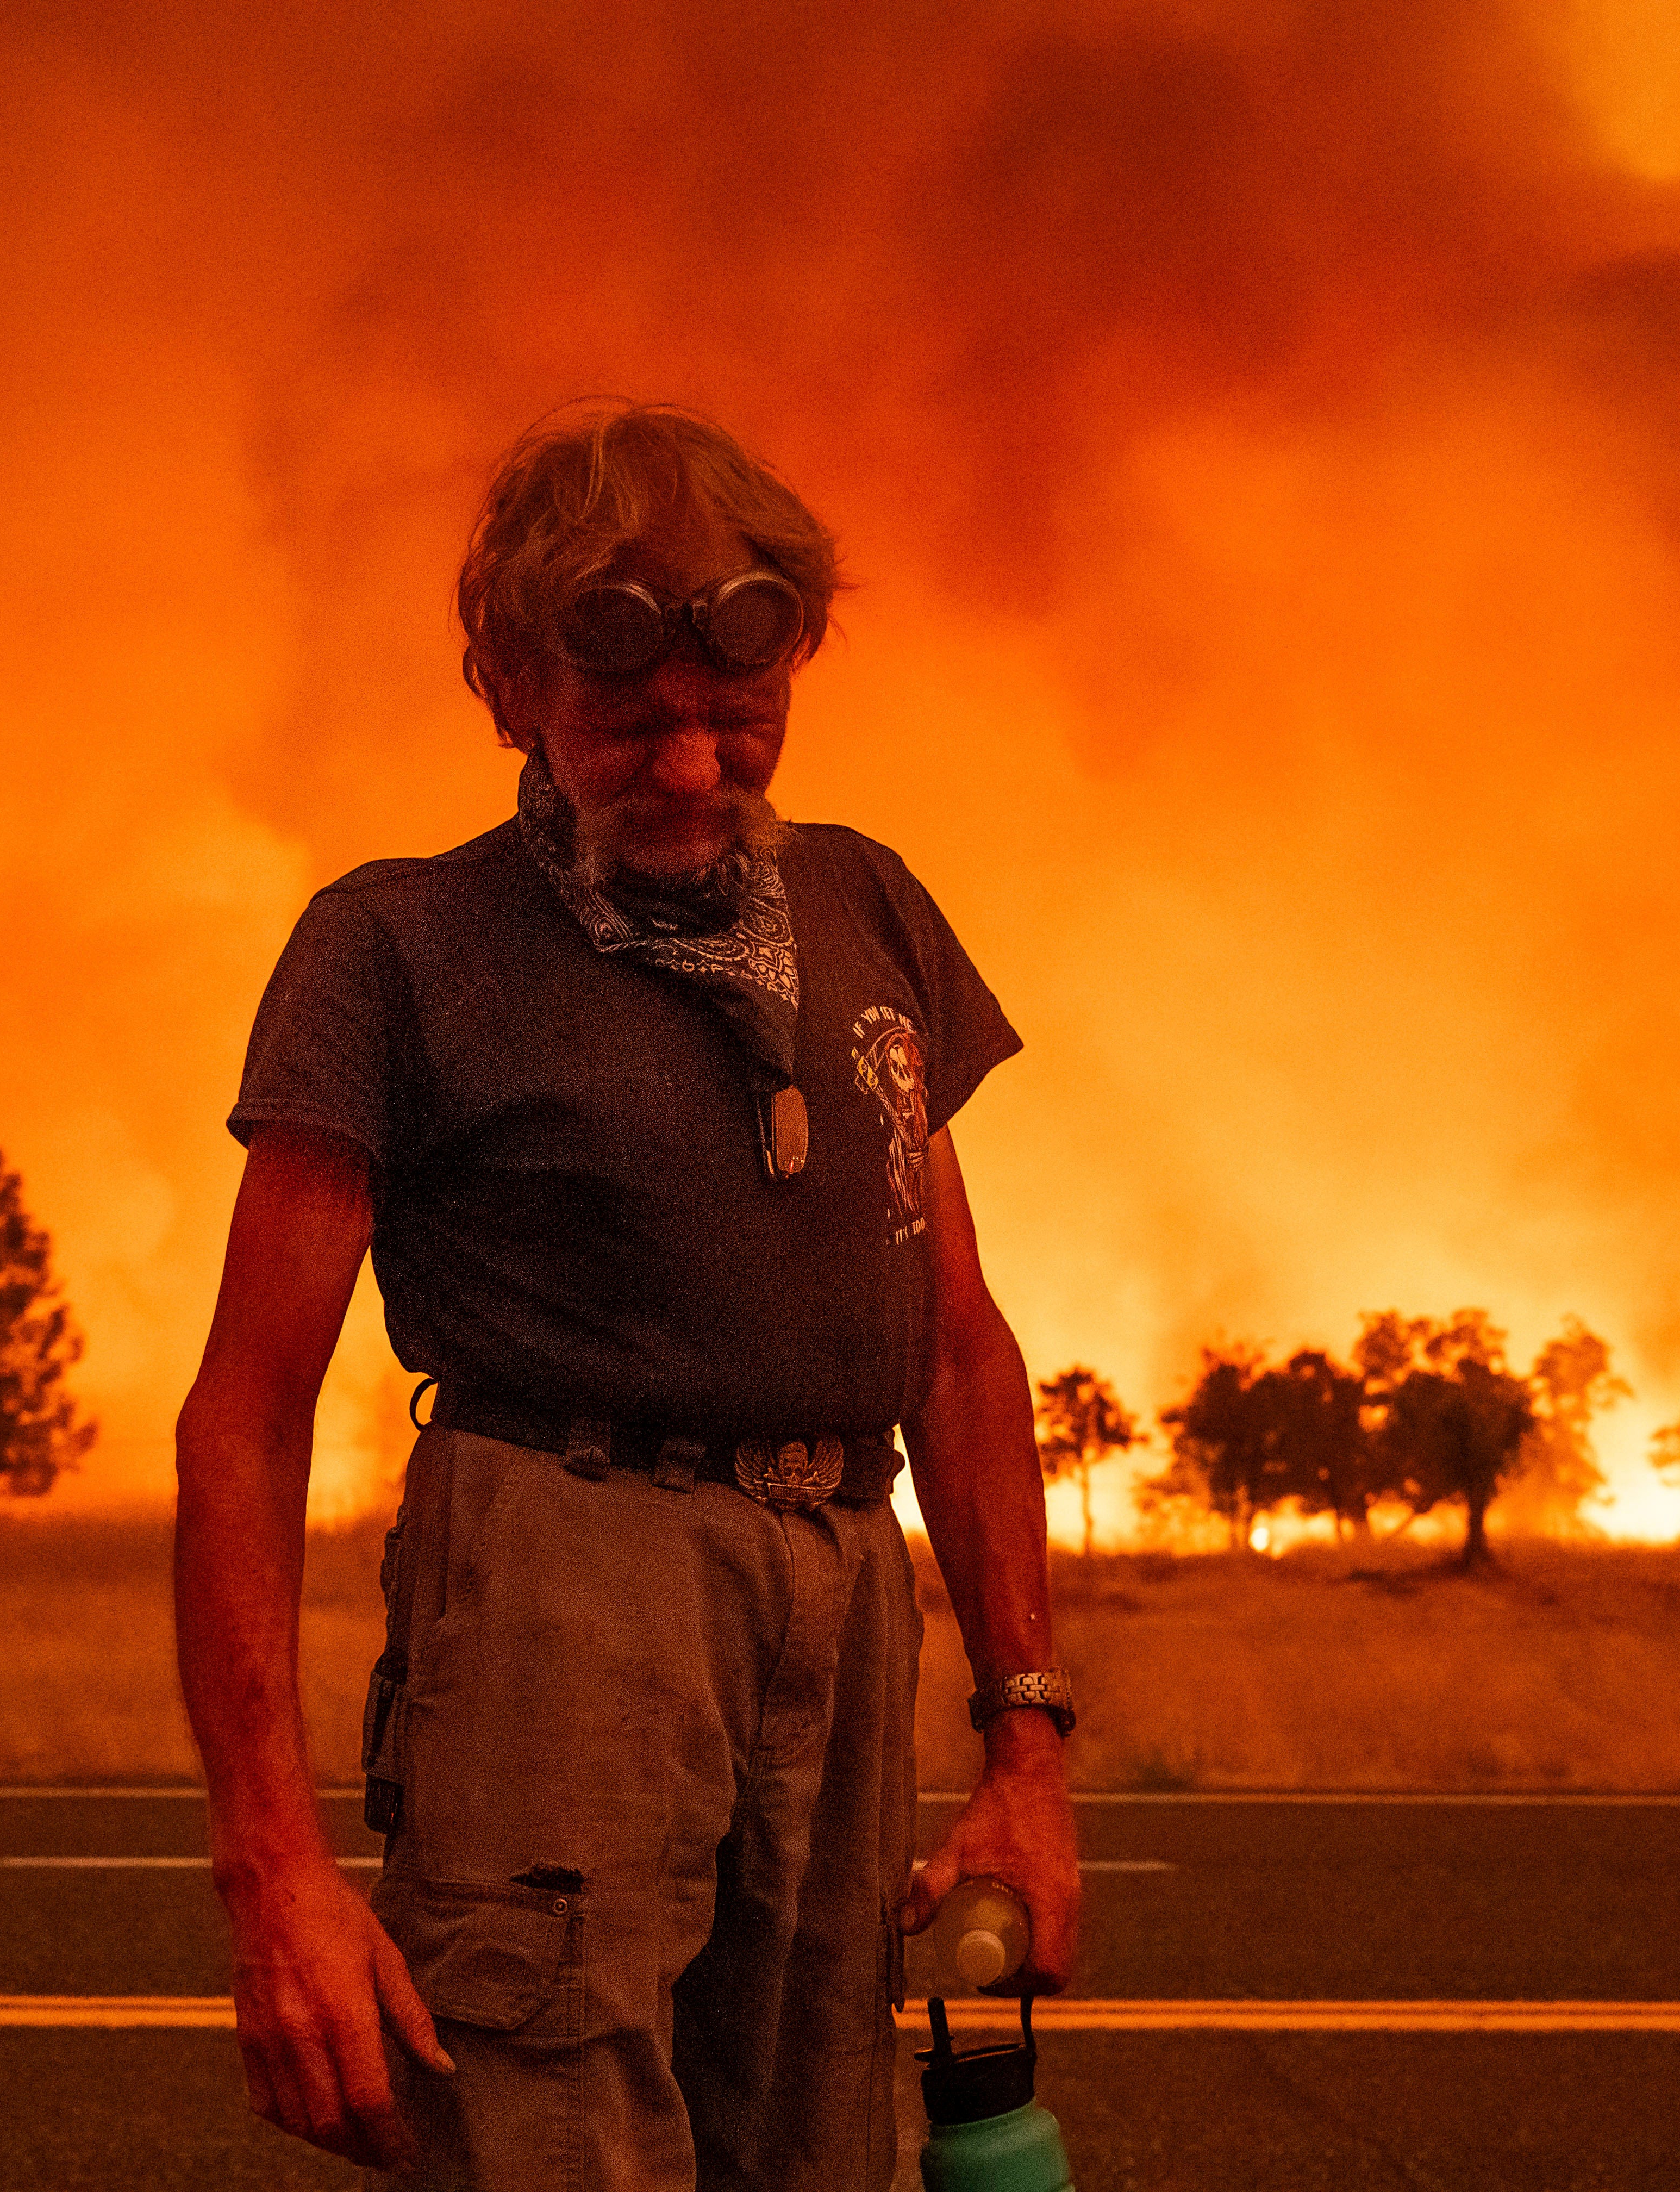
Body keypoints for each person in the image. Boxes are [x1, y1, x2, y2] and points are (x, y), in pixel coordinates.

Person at [174, 400, 1081, 2190]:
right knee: (553, 2138)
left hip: (845, 1579)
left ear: (795, 659)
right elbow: (246, 1412)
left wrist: (1026, 1744)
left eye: (734, 713)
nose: (688, 766)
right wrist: (271, 1865)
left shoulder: (868, 904)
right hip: (561, 1589)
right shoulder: (394, 947)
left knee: (829, 2144)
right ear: (512, 688)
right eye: (629, 719)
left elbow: (957, 1346)